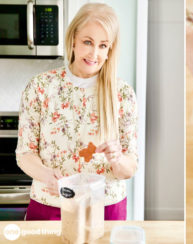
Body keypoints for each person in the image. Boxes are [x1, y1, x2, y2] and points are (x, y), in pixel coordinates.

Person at [15, 3, 138, 221]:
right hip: (51, 204)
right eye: (87, 42)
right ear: (73, 40)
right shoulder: (40, 87)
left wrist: (117, 159)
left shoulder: (123, 94)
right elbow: (25, 154)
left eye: (103, 45)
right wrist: (47, 176)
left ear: (110, 49)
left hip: (106, 208)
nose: (94, 53)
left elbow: (129, 168)